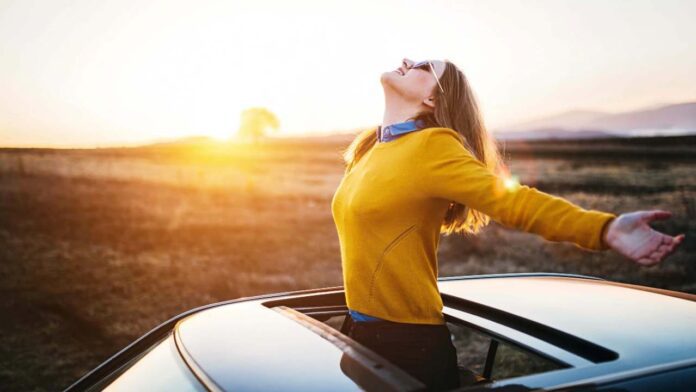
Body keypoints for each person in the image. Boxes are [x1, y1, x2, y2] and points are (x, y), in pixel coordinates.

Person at [330, 57, 685, 391]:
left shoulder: (433, 146)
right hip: (360, 328)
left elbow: (511, 199)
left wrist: (604, 229)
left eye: (424, 66)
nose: (407, 60)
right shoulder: (368, 148)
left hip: (407, 342)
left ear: (433, 99)